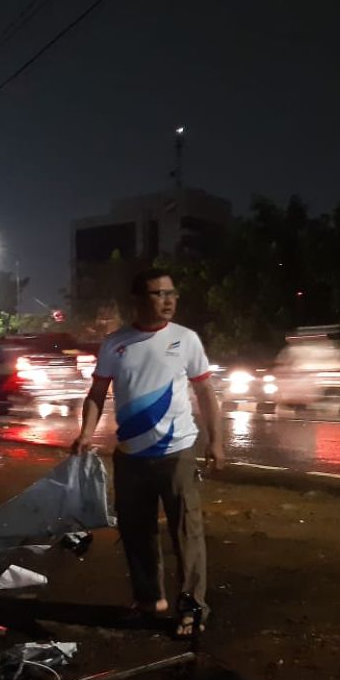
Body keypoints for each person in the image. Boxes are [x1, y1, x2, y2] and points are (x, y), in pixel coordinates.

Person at [71, 268, 224, 637]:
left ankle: (192, 606)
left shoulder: (186, 340)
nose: (168, 300)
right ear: (139, 300)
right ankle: (148, 600)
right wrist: (85, 434)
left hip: (178, 453)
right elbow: (97, 393)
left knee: (186, 532)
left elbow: (206, 393)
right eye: (158, 294)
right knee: (136, 532)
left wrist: (216, 441)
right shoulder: (115, 344)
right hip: (131, 456)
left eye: (172, 293)